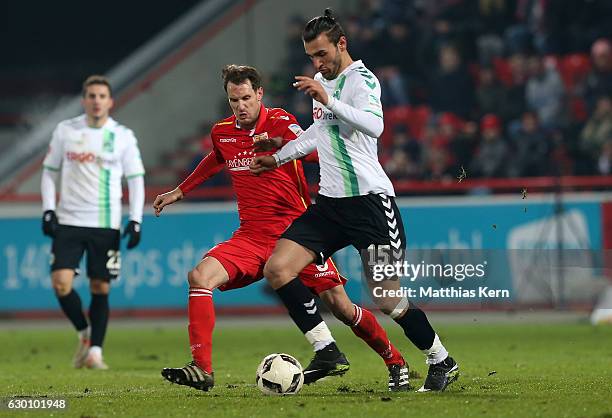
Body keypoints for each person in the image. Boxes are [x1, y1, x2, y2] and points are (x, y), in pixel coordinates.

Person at [154, 65, 410, 392]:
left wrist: (276, 146)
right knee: (199, 278)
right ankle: (202, 369)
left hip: (295, 235)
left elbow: (317, 148)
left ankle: (394, 360)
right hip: (250, 236)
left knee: (341, 306)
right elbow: (216, 157)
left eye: (247, 98)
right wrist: (180, 191)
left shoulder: (280, 121)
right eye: (234, 100)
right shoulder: (222, 132)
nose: (241, 106)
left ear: (259, 94)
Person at [250, 9, 459, 392]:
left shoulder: (363, 81)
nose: (317, 63)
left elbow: (375, 126)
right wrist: (278, 155)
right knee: (278, 269)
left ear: (341, 44)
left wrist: (328, 98)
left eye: (322, 54)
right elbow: (321, 133)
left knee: (387, 299)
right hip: (330, 207)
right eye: (312, 56)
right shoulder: (321, 82)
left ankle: (441, 359)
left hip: (370, 206)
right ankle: (325, 349)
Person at [41, 75, 145, 369]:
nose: (97, 101)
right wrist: (48, 210)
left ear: (110, 101)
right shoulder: (65, 131)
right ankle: (85, 332)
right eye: (91, 96)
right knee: (61, 283)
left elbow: (136, 179)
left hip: (105, 223)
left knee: (100, 287)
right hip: (69, 220)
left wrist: (136, 219)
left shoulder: (123, 135)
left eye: (102, 96)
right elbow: (49, 171)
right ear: (84, 100)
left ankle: (95, 352)